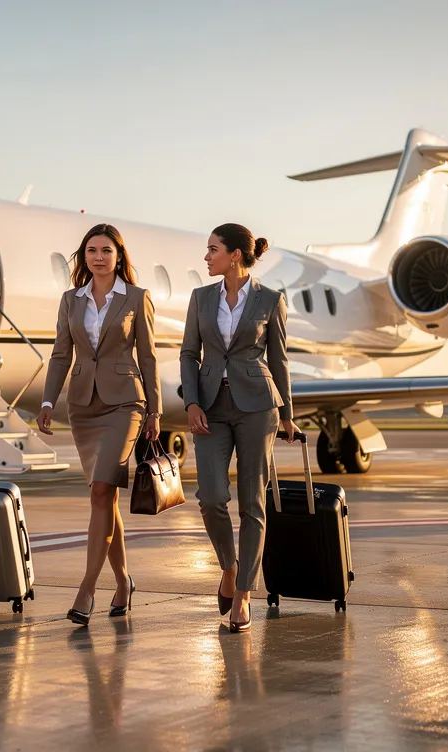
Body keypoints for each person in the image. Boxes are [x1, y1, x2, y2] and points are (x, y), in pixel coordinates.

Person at [38, 223, 160, 627]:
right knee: (104, 497)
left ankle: (87, 588)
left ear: (118, 256)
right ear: (84, 256)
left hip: (125, 403)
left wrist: (155, 411)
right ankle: (123, 582)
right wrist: (48, 400)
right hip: (83, 407)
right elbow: (61, 354)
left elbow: (148, 356)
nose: (98, 257)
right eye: (91, 250)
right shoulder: (71, 299)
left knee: (101, 490)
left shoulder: (136, 297)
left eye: (106, 250)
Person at [180, 223, 295, 633]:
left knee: (252, 504)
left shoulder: (271, 299)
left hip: (257, 407)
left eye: (213, 249)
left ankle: (244, 593)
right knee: (211, 498)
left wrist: (287, 414)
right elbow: (189, 353)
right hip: (210, 406)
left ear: (234, 256)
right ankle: (229, 568)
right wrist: (191, 402)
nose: (206, 257)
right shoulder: (201, 298)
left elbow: (278, 359)